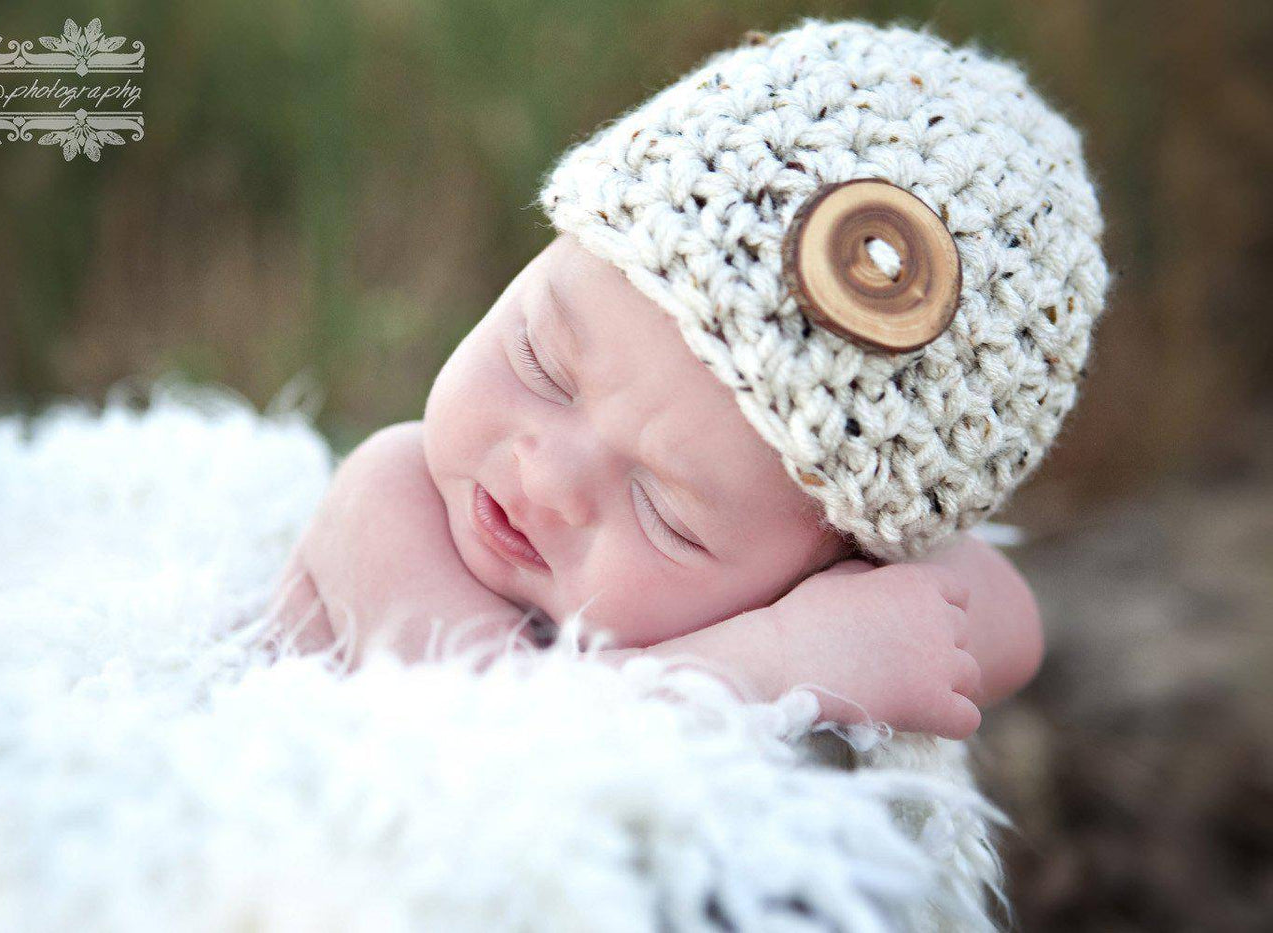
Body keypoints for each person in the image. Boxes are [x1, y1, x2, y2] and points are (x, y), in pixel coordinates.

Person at [270, 17, 1109, 742]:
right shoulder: (390, 502)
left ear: (818, 560)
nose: (546, 477)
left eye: (667, 513)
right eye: (542, 363)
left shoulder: (805, 547)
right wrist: (783, 655)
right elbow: (486, 742)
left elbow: (1002, 621)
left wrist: (863, 594)